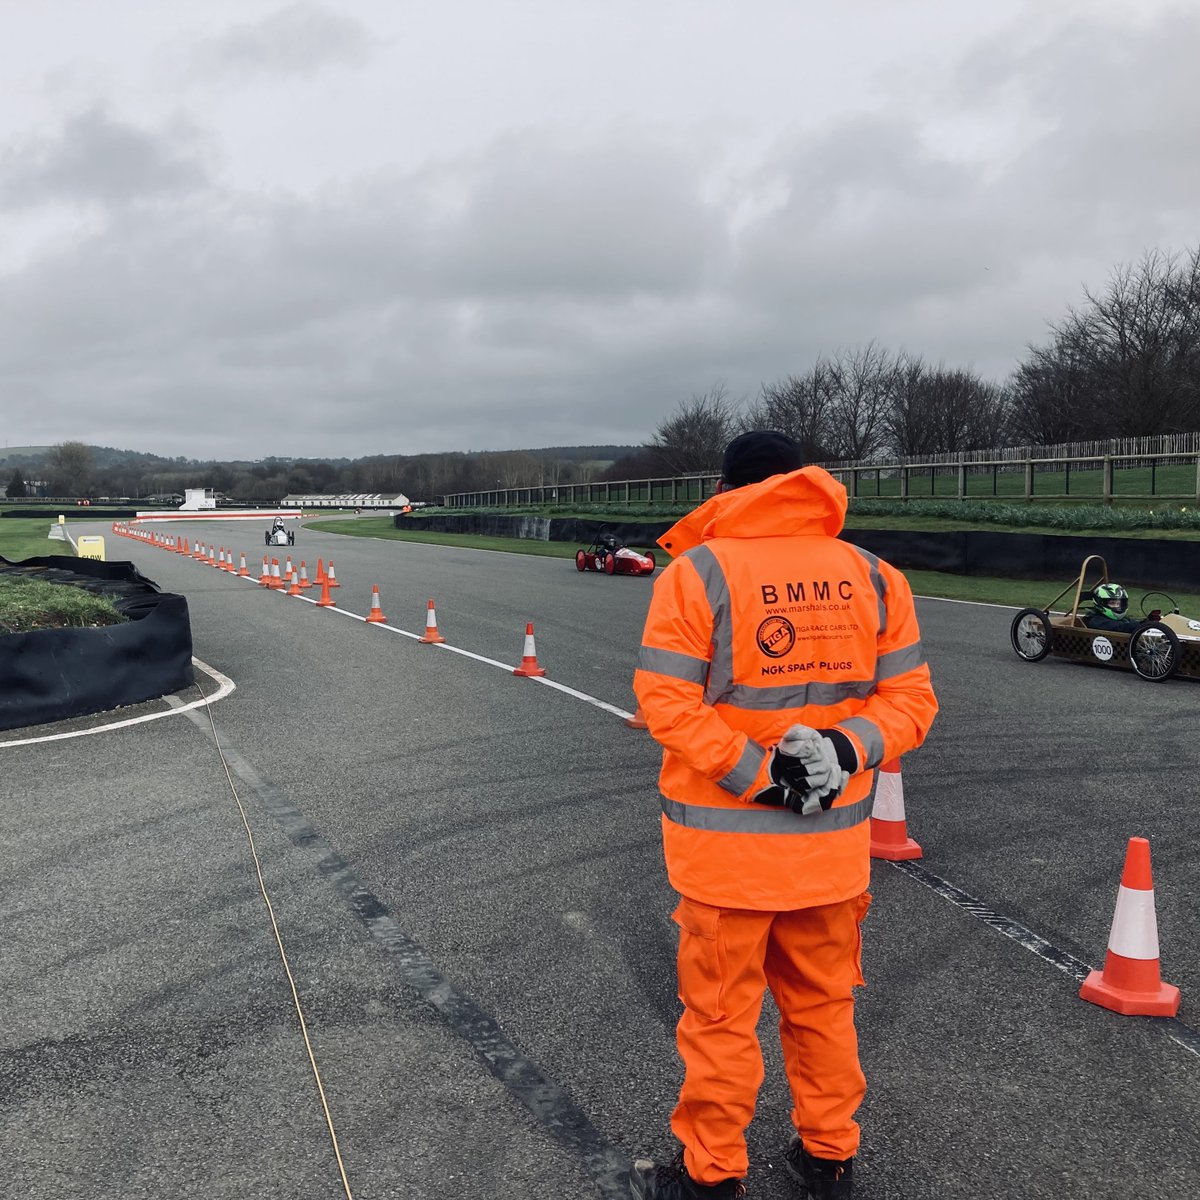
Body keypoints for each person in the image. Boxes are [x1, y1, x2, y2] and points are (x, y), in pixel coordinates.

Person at [630, 431, 939, 1200]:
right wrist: (842, 746)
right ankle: (829, 1156)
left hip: (724, 859)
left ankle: (711, 1175)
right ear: (805, 484)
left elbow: (665, 701)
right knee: (823, 1009)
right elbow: (911, 703)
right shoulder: (874, 576)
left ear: (728, 488)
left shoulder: (698, 572)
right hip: (830, 854)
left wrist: (759, 776)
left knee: (721, 1020)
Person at [1082, 582, 1153, 633]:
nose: (1116, 606)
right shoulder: (1096, 620)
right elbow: (1119, 627)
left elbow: (1132, 623)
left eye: (1118, 603)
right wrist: (1142, 625)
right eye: (1112, 603)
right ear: (1101, 603)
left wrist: (1147, 621)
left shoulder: (1123, 619)